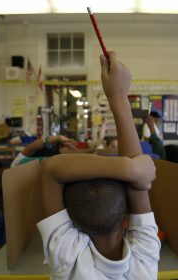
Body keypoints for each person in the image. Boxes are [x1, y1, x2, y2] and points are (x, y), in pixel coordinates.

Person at [36, 51, 160, 279]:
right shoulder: (144, 257)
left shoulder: (68, 260)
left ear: (72, 221)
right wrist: (118, 96)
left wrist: (130, 169)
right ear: (126, 216)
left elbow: (50, 168)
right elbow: (137, 175)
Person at [10, 135, 76, 167]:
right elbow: (33, 146)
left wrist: (58, 138)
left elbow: (33, 146)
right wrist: (58, 138)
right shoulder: (17, 164)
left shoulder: (17, 163)